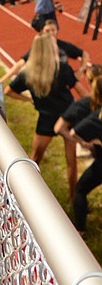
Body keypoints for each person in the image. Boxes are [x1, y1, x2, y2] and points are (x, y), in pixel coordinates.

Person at [6, 32, 79, 197]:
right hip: (67, 118)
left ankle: (25, 193)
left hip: (46, 118)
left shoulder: (28, 72)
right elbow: (79, 90)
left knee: (35, 159)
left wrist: (29, 99)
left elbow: (9, 91)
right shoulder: (62, 68)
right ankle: (74, 197)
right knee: (71, 161)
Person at [55, 66, 102, 238]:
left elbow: (65, 129)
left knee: (80, 190)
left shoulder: (92, 113)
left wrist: (87, 144)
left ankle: (80, 231)